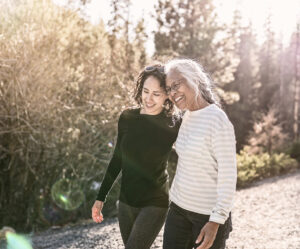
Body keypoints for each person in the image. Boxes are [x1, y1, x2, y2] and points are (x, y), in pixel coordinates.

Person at [91, 64, 181, 249]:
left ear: (167, 96)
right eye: (146, 91)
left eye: (156, 93)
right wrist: (100, 198)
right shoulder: (127, 118)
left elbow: (191, 155)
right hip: (125, 202)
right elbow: (118, 159)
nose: (149, 98)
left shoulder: (173, 124)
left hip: (155, 201)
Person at [162, 59, 237, 249]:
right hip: (178, 209)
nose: (172, 93)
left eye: (176, 85)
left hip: (207, 216)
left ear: (193, 79)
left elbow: (228, 174)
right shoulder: (186, 116)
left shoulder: (217, 119)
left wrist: (216, 220)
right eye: (169, 89)